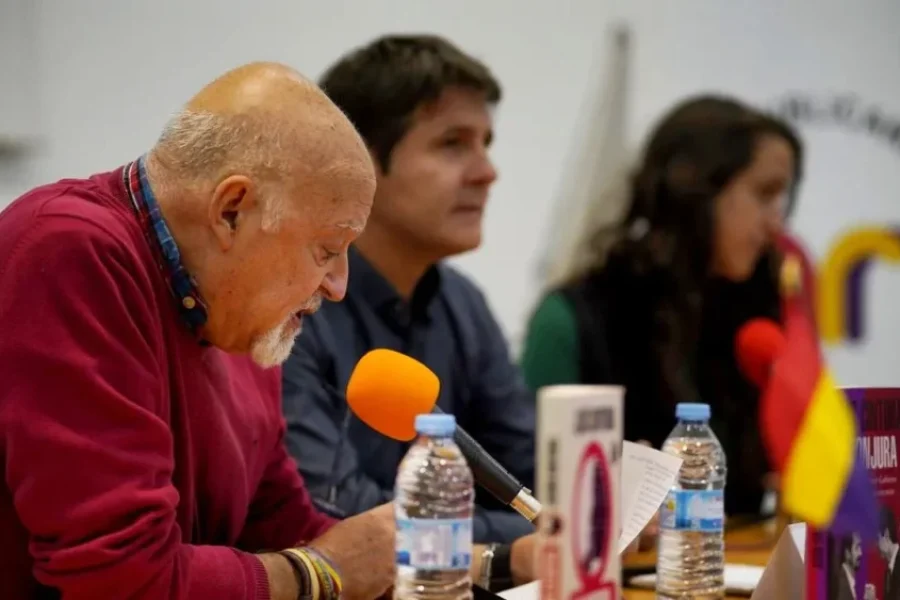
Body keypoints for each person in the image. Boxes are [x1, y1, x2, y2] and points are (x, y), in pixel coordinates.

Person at [0, 62, 535, 600]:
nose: (338, 286)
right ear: (232, 211)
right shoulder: (71, 254)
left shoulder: (237, 315)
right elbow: (120, 580)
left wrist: (488, 563)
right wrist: (324, 573)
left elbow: (283, 527)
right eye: (328, 250)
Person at [281, 34, 536, 547]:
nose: (487, 172)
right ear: (361, 161)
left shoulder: (463, 303)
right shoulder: (291, 305)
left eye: (486, 144)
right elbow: (336, 516)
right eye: (453, 143)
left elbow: (533, 477)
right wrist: (524, 539)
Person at [520, 95, 804, 518]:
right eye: (764, 194)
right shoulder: (575, 317)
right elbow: (532, 488)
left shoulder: (763, 308)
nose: (776, 223)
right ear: (695, 190)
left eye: (782, 199)